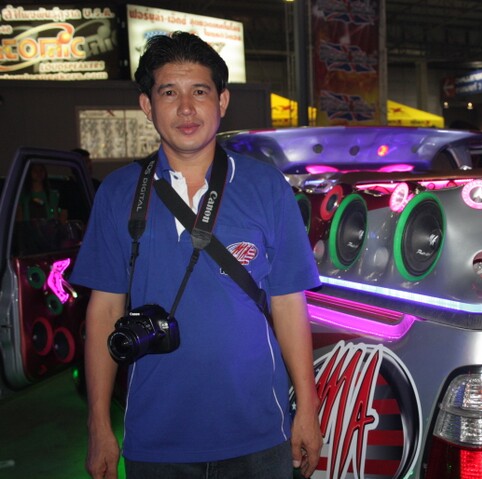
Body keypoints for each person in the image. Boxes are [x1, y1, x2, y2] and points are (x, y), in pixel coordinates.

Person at [71, 32, 322, 479]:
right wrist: (98, 424)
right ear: (147, 105)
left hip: (259, 433)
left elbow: (288, 302)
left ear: (222, 101)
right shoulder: (118, 193)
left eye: (200, 92)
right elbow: (104, 310)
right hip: (156, 437)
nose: (186, 108)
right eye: (169, 92)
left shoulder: (267, 187)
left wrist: (307, 407)